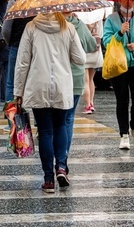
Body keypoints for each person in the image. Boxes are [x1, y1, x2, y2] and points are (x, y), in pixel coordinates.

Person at [14, 12, 86, 193]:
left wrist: (18, 91)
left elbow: (23, 62)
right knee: (61, 126)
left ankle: (48, 180)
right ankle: (61, 167)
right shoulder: (68, 28)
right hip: (62, 85)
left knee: (45, 131)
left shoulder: (31, 27)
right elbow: (81, 59)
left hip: (38, 85)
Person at [103, 0, 134, 150]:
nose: (129, 1)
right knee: (122, 101)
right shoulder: (111, 19)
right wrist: (120, 32)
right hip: (119, 65)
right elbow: (107, 41)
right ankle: (124, 135)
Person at [2, 0, 35, 130]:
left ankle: (12, 123)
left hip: (16, 46)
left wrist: (11, 42)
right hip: (35, 48)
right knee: (34, 83)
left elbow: (6, 29)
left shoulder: (15, 0)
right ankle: (37, 122)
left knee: (12, 84)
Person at [64, 12, 96, 164]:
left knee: (54, 122)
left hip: (55, 78)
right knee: (68, 119)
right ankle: (64, 157)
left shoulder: (43, 24)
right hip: (76, 77)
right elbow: (91, 45)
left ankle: (55, 161)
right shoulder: (77, 24)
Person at [83, 19, 104, 114]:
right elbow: (101, 34)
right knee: (91, 79)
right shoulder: (98, 18)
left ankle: (87, 106)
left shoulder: (81, 18)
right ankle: (91, 103)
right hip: (95, 51)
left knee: (85, 81)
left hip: (84, 52)